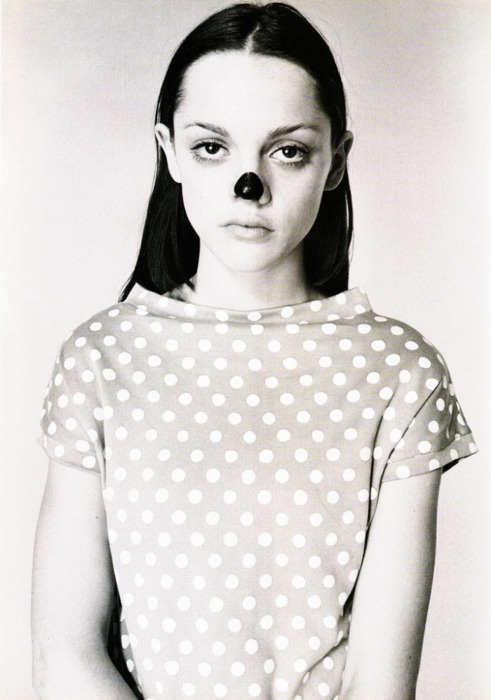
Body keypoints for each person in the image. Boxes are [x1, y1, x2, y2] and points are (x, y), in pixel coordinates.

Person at [31, 3, 478, 699]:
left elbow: (380, 683)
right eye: (213, 147)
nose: (250, 185)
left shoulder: (398, 374)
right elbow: (64, 656)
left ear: (335, 162)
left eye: (287, 150)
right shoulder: (102, 358)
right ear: (170, 150)